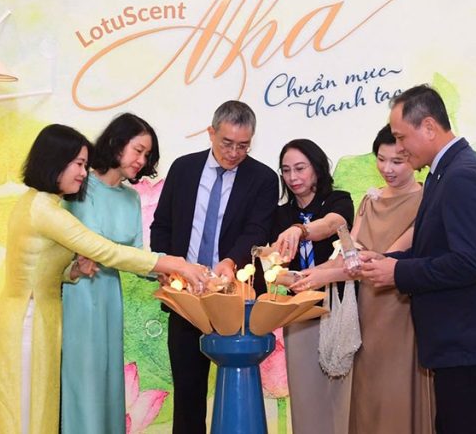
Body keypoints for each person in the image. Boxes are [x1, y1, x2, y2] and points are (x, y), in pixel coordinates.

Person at [0, 124, 207, 434]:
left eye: (84, 165)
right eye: (78, 164)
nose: (83, 173)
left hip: (40, 318)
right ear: (55, 161)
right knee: (24, 415)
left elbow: (40, 265)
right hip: (26, 320)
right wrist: (174, 263)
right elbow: (106, 250)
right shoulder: (45, 210)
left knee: (39, 411)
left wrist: (73, 271)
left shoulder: (43, 203)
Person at [360, 85, 476, 434]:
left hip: (468, 343)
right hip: (457, 343)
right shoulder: (443, 172)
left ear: (429, 127)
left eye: (402, 137)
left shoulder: (463, 175)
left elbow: (470, 262)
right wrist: (385, 260)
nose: (399, 148)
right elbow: (434, 249)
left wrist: (398, 272)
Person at [291, 126, 435, 434]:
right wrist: (308, 274)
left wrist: (321, 276)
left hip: (402, 311)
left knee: (397, 394)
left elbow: (381, 261)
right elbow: (350, 255)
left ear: (412, 158)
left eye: (397, 161)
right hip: (366, 310)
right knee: (368, 396)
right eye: (381, 159)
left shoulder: (426, 201)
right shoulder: (370, 200)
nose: (387, 169)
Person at [149, 100, 279, 434]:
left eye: (243, 146)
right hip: (186, 296)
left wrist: (231, 261)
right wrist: (165, 263)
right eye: (227, 143)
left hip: (235, 299)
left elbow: (257, 230)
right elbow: (162, 225)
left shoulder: (263, 178)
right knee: (188, 393)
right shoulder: (183, 169)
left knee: (238, 387)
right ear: (211, 133)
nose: (234, 153)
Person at [60, 113, 160, 434]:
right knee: (81, 376)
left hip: (109, 296)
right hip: (77, 291)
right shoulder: (79, 186)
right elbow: (79, 247)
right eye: (138, 150)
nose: (141, 160)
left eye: (147, 154)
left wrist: (168, 273)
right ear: (117, 144)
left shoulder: (131, 198)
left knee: (107, 377)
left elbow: (135, 255)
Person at [268, 139, 355, 434]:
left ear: (317, 168)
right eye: (286, 170)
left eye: (300, 168)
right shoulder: (279, 214)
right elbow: (271, 264)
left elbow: (332, 225)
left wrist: (300, 231)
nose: (293, 177)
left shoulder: (339, 200)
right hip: (298, 313)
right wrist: (282, 275)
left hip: (337, 309)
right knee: (305, 396)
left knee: (341, 396)